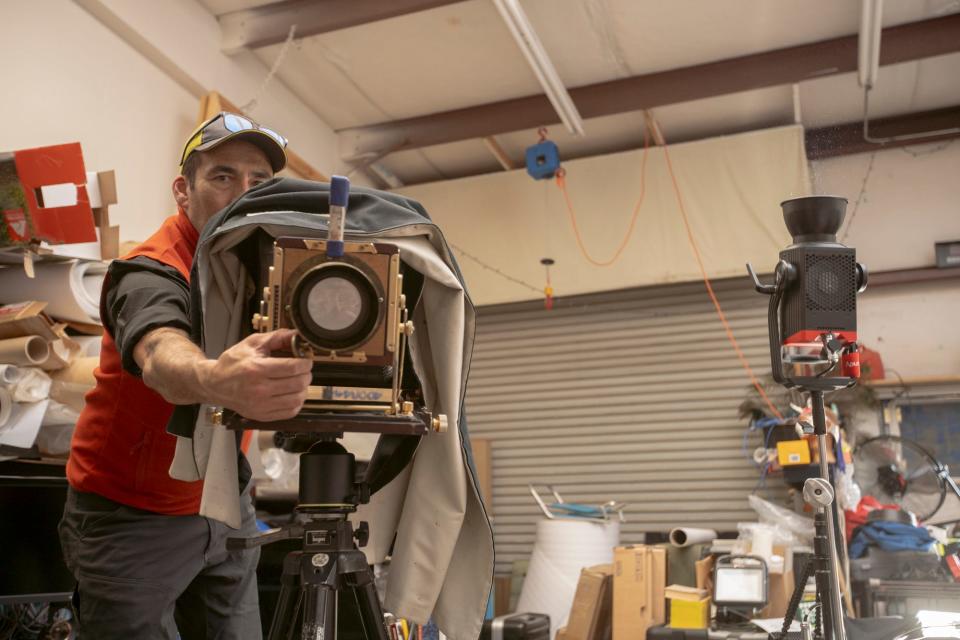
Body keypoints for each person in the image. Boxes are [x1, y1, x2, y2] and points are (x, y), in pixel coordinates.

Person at [58, 112, 313, 639]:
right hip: (130, 514)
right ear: (183, 190)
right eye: (223, 177)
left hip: (223, 501)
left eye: (258, 182)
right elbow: (159, 353)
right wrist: (213, 376)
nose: (243, 194)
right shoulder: (148, 270)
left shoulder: (259, 267)